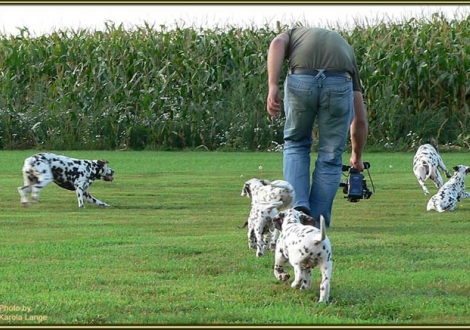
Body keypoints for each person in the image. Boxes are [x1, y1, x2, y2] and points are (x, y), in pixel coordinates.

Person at [266, 26, 368, 228]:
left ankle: (298, 209)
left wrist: (273, 85)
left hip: (300, 80)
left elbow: (277, 43)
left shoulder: (293, 34)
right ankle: (317, 222)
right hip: (340, 82)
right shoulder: (345, 49)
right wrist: (357, 156)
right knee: (331, 156)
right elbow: (360, 119)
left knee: (296, 144)